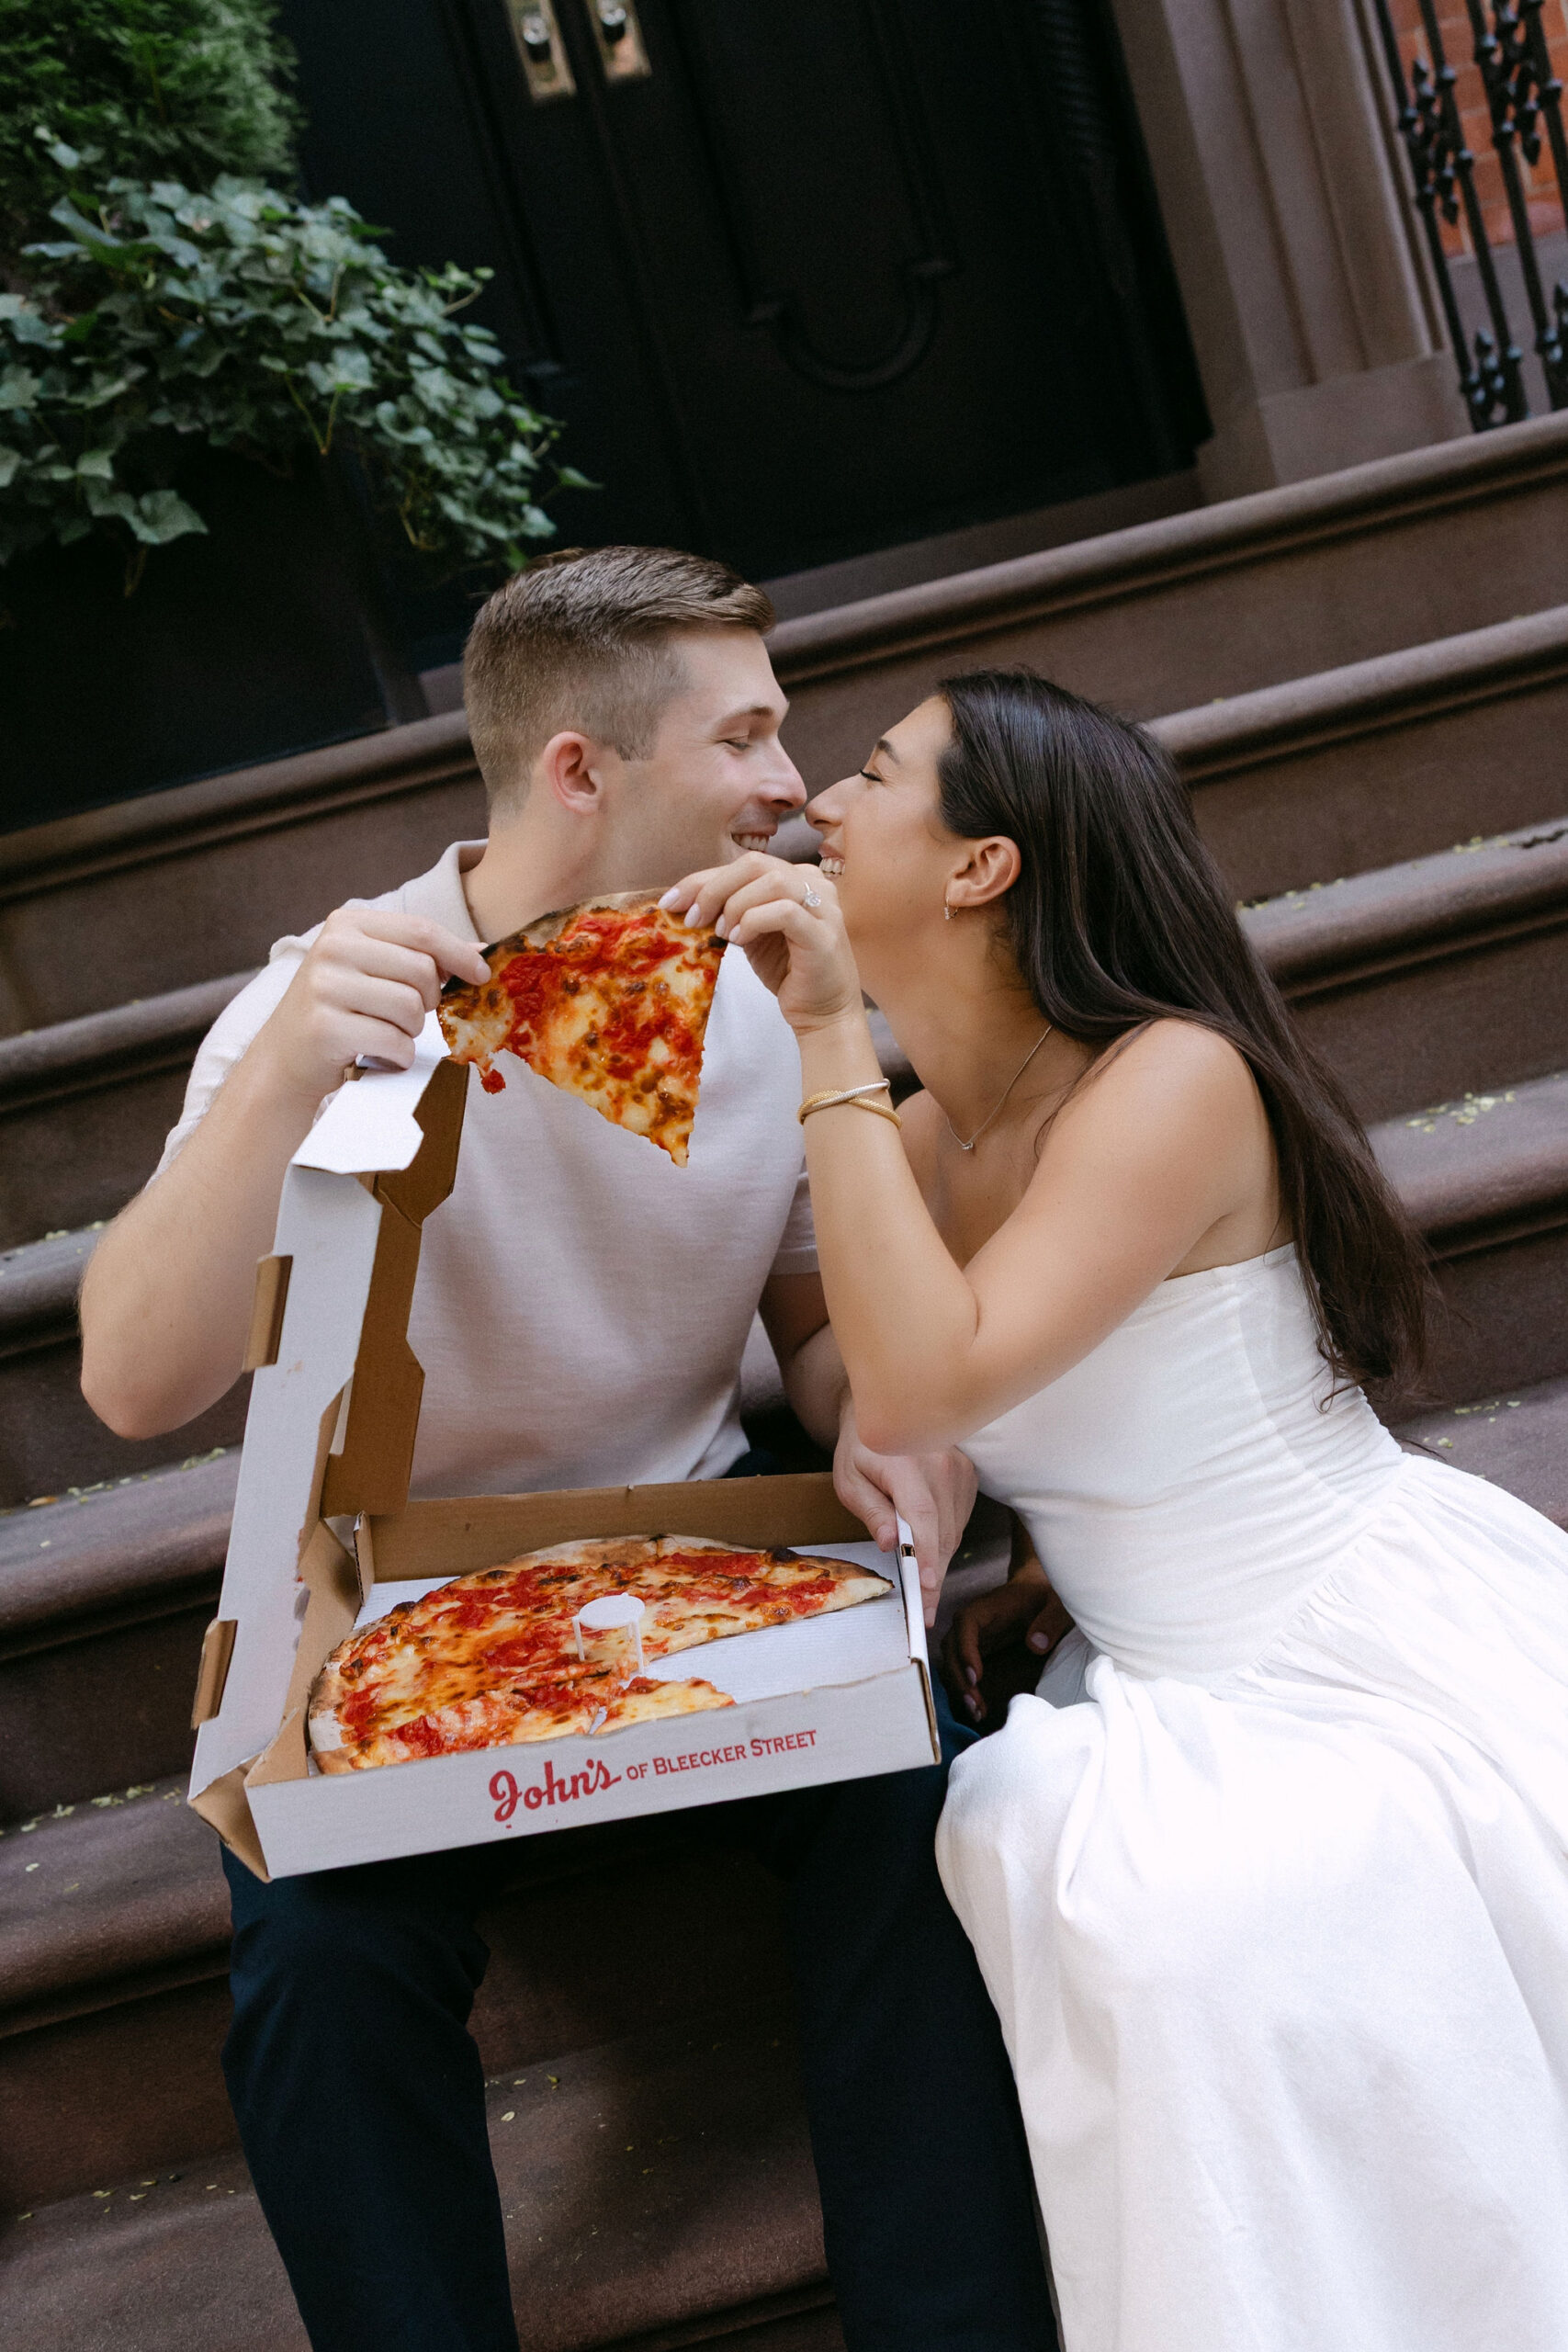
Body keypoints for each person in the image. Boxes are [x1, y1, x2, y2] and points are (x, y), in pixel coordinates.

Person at [78, 555, 1056, 2352]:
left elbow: (810, 1323)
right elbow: (133, 1384)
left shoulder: (765, 987)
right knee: (314, 1962)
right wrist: (288, 1069)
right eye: (747, 733)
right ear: (580, 772)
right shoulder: (327, 999)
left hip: (693, 1561)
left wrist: (903, 1439)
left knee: (932, 1807)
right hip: (401, 1604)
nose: (789, 776)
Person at [670, 666, 1568, 2352]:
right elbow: (885, 1389)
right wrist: (1015, 1540)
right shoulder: (927, 1134)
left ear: (981, 868)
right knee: (1087, 1885)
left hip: (1349, 1647)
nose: (819, 807)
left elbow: (940, 1374)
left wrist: (816, 1036)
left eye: (873, 775)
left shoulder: (1169, 1079)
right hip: (1154, 1667)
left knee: (1180, 1930)